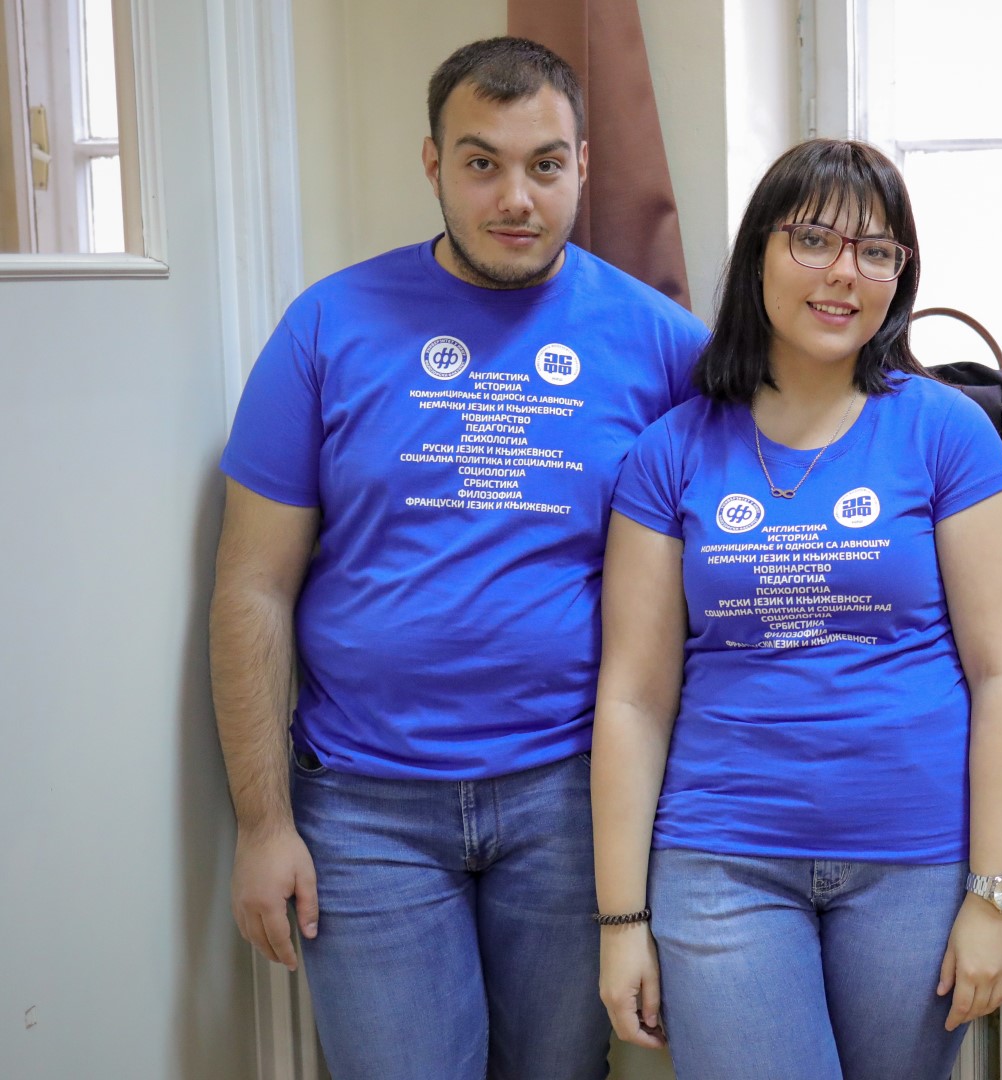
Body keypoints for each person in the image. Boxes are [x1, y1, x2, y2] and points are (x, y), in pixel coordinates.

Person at [208, 37, 707, 1080]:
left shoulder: (663, 345)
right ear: (434, 164)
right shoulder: (326, 328)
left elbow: (753, 529)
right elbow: (253, 587)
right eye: (483, 163)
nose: (516, 198)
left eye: (545, 165)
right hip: (365, 809)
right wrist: (261, 824)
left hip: (571, 799)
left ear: (583, 166)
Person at [590, 138, 1002, 1080]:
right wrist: (621, 919)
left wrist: (998, 893)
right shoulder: (671, 451)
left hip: (915, 863)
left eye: (876, 252)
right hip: (723, 861)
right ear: (759, 250)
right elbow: (633, 698)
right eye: (814, 240)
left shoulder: (946, 432)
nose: (845, 274)